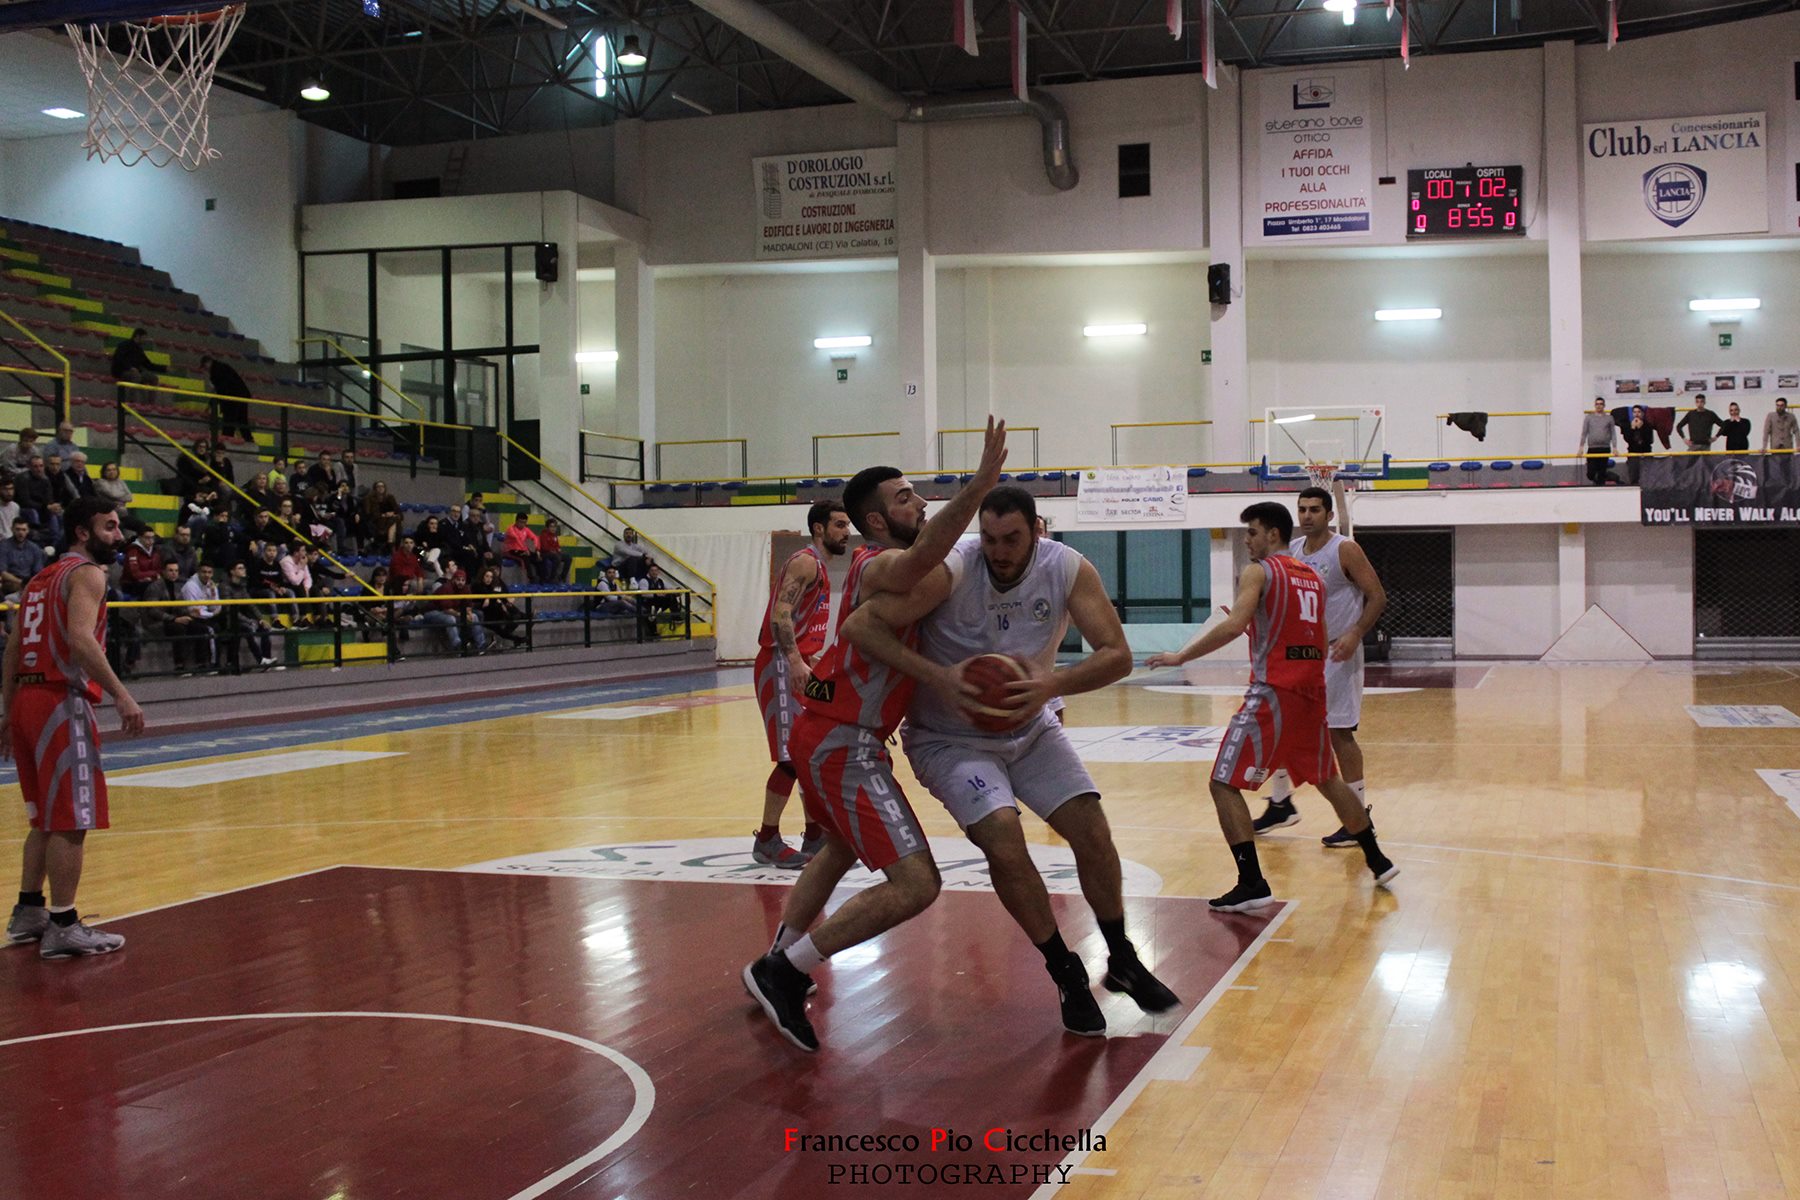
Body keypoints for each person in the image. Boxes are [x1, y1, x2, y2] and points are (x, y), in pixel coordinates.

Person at [843, 484, 1177, 1036]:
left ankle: (1122, 959)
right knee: (1003, 835)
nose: (998, 550)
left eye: (1012, 539)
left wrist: (1053, 683)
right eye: (990, 538)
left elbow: (1117, 655)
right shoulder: (955, 566)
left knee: (1093, 832)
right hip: (949, 739)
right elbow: (861, 626)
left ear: (1036, 533)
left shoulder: (1067, 567)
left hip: (1030, 727)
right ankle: (1065, 971)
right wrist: (940, 677)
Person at [742, 417, 1008, 1053]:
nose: (920, 501)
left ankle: (778, 951)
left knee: (836, 850)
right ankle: (784, 970)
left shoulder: (892, 571)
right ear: (879, 520)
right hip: (842, 741)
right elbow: (924, 556)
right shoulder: (878, 564)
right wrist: (977, 489)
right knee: (918, 884)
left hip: (831, 730)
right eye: (906, 496)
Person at [1147, 502, 1398, 911]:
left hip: (1273, 692)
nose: (1247, 540)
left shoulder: (1259, 571)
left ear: (1273, 535)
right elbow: (1314, 637)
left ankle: (1252, 883)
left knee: (1222, 782)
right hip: (1310, 691)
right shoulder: (1312, 578)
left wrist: (1181, 656)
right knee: (1327, 779)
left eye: (1252, 532)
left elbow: (1232, 624)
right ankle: (1378, 859)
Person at [3, 496, 144, 958]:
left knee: (44, 815)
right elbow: (81, 640)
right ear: (83, 532)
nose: (118, 536)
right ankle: (63, 922)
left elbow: (11, 648)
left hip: (25, 699)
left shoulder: (40, 578)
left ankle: (28, 910)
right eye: (109, 527)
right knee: (72, 819)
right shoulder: (88, 574)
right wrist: (123, 695)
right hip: (59, 701)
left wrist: (7, 712)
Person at [1251, 487, 1389, 848]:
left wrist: (1356, 633)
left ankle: (1359, 816)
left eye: (1314, 509)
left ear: (1329, 515)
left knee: (1339, 734)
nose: (1307, 515)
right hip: (1302, 654)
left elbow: (1377, 596)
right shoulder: (1293, 551)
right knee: (1283, 725)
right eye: (1302, 509)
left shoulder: (1344, 549)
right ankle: (1281, 803)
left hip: (1339, 652)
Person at [749, 500, 850, 869]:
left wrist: (812, 660)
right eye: (839, 525)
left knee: (808, 751)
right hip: (778, 663)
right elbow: (781, 616)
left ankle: (815, 833)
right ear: (819, 529)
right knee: (791, 757)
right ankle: (768, 838)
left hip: (799, 663)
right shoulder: (805, 561)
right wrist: (793, 659)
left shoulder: (820, 567)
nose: (846, 532)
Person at [221, 560, 277, 671]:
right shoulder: (224, 586)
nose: (244, 570)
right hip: (229, 620)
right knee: (246, 628)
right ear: (232, 571)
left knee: (264, 628)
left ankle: (267, 660)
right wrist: (248, 621)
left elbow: (251, 604)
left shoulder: (242, 586)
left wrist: (261, 619)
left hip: (243, 618)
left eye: (244, 568)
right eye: (240, 568)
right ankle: (260, 660)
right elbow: (229, 610)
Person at [178, 563, 223, 674]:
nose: (206, 575)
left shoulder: (211, 585)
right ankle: (207, 664)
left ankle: (216, 663)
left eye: (209, 572)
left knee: (218, 627)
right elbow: (193, 610)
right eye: (204, 572)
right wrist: (211, 614)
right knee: (208, 630)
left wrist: (212, 593)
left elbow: (216, 607)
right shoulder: (190, 586)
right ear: (198, 572)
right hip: (186, 616)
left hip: (205, 615)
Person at [199, 354, 255, 443]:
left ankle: (227, 439)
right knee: (242, 419)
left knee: (229, 419)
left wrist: (210, 405)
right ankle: (249, 439)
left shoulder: (215, 371)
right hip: (241, 394)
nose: (205, 369)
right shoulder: (222, 367)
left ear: (208, 363)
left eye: (205, 366)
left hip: (232, 397)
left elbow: (220, 390)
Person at [473, 566, 527, 647]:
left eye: (491, 577)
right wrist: (491, 598)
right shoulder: (477, 586)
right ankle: (520, 623)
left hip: (494, 613)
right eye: (487, 576)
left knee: (507, 608)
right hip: (482, 613)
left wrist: (501, 601)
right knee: (503, 618)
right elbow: (482, 602)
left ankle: (516, 636)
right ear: (482, 576)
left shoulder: (493, 586)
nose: (489, 579)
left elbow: (500, 595)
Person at [0, 518, 45, 594]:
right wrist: (21, 583)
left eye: (24, 530)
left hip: (29, 582)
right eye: (18, 529)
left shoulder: (34, 548)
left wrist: (30, 584)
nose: (21, 533)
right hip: (10, 582)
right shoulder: (3, 546)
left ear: (28, 531)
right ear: (12, 529)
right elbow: (2, 572)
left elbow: (38, 572)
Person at [108, 329, 156, 402]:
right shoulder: (124, 345)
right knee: (136, 376)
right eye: (144, 337)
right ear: (137, 336)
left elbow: (148, 364)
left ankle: (151, 403)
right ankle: (131, 401)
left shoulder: (139, 350)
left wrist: (164, 368)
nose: (145, 340)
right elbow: (118, 358)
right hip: (121, 371)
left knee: (153, 378)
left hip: (135, 372)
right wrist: (130, 368)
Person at [1580, 397, 1617, 486]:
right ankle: (1598, 479)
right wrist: (1581, 447)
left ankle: (1601, 487)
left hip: (1605, 448)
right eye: (1597, 404)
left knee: (1602, 471)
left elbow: (1613, 434)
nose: (1599, 406)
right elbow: (1584, 433)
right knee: (1590, 473)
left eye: (1601, 404)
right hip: (1592, 448)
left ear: (1604, 405)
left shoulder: (1609, 418)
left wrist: (1615, 447)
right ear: (1594, 405)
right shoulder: (1589, 418)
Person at [121, 528, 162, 599]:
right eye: (147, 538)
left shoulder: (156, 551)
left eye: (152, 538)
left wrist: (151, 577)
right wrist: (153, 575)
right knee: (150, 587)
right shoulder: (133, 551)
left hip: (152, 582)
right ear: (140, 538)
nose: (151, 541)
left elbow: (160, 570)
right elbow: (135, 574)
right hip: (132, 584)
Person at [361, 481, 401, 551]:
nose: (380, 488)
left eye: (382, 486)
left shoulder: (390, 498)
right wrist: (384, 515)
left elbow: (399, 512)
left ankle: (390, 542)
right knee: (394, 521)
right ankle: (391, 544)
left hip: (389, 521)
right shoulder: (369, 498)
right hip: (376, 521)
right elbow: (369, 513)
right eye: (378, 486)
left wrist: (392, 513)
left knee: (395, 519)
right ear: (375, 488)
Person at [1622, 406, 1656, 486]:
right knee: (1634, 477)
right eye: (1634, 412)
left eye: (1639, 412)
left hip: (1646, 453)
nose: (1637, 414)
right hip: (1633, 454)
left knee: (1648, 477)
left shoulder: (1648, 425)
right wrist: (1633, 429)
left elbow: (1650, 440)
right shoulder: (1628, 426)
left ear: (1642, 414)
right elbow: (1627, 439)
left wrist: (1641, 428)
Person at [501, 512, 540, 581]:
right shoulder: (511, 529)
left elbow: (535, 537)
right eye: (521, 522)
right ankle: (531, 578)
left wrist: (537, 549)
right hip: (510, 550)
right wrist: (525, 550)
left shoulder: (526, 529)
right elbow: (517, 539)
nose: (522, 524)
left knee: (537, 556)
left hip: (521, 550)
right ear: (516, 521)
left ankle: (540, 577)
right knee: (525, 557)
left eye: (524, 522)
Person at [537, 518, 567, 584]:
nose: (553, 528)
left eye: (555, 527)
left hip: (554, 553)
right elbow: (545, 547)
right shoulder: (543, 534)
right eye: (551, 526)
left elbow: (557, 546)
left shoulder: (554, 535)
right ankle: (551, 578)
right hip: (545, 553)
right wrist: (555, 550)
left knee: (568, 558)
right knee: (557, 557)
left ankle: (562, 577)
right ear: (547, 527)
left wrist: (558, 549)